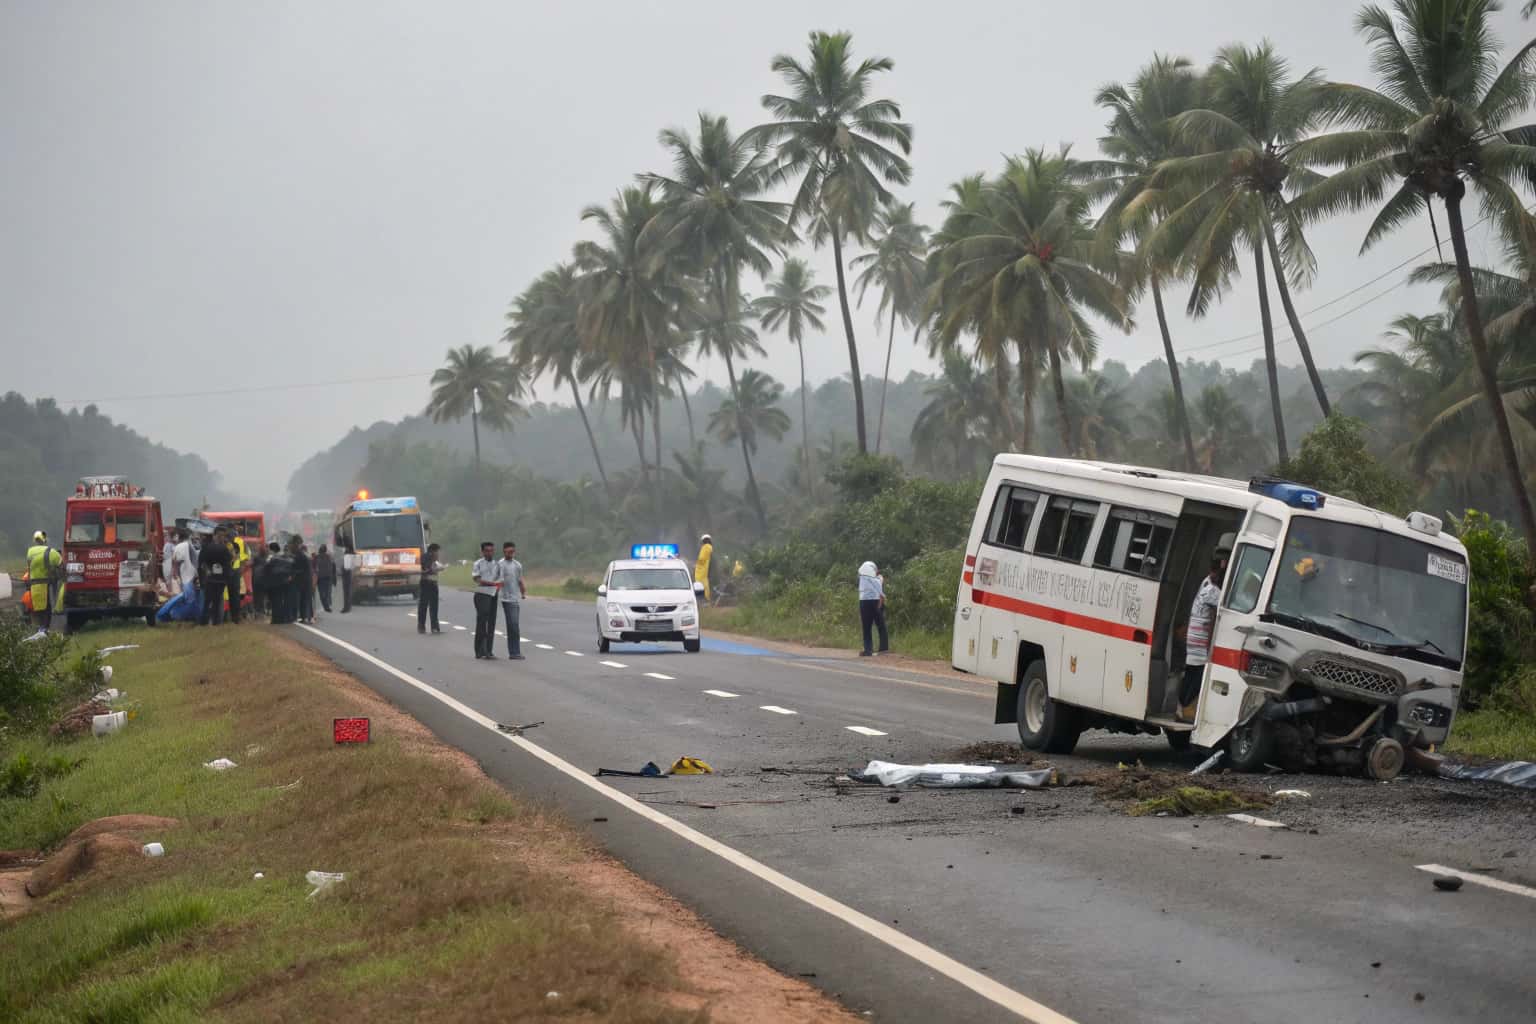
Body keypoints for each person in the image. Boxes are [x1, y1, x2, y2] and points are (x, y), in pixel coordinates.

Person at [1178, 543, 1231, 722]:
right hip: (1199, 641)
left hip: (1195, 638)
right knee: (1198, 676)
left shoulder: (1206, 582)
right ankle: (1185, 707)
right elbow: (1228, 607)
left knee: (1192, 673)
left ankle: (1183, 706)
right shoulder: (1212, 590)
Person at [26, 530, 64, 634]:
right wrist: (61, 577)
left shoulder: (30, 551)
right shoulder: (51, 552)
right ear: (45, 540)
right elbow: (61, 565)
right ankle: (45, 628)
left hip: (33, 583)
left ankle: (40, 627)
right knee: (47, 606)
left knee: (37, 606)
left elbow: (29, 567)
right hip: (46, 583)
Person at [197, 527, 233, 626]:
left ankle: (204, 622)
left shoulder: (206, 547)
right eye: (221, 536)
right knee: (217, 602)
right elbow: (229, 564)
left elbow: (201, 564)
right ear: (216, 536)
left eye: (223, 536)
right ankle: (216, 623)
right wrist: (227, 578)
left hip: (210, 579)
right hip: (220, 580)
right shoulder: (225, 549)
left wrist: (202, 578)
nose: (222, 538)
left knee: (207, 601)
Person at [471, 542, 501, 659]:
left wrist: (497, 586)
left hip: (493, 594)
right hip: (482, 594)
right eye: (487, 550)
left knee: (491, 623)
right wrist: (493, 583)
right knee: (482, 622)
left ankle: (489, 650)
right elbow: (477, 579)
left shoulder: (497, 564)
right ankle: (479, 650)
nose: (489, 553)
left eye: (491, 550)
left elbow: (501, 579)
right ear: (483, 552)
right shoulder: (478, 563)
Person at [498, 541, 527, 659]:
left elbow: (519, 580)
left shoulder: (517, 565)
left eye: (512, 552)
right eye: (508, 552)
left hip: (514, 598)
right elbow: (497, 581)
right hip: (503, 597)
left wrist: (523, 591)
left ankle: (515, 652)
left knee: (513, 625)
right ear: (504, 551)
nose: (511, 554)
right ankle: (514, 652)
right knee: (512, 625)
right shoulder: (500, 564)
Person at [857, 560, 889, 657]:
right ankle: (883, 649)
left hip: (865, 602)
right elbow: (880, 591)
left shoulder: (863, 578)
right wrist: (882, 600)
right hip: (874, 601)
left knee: (867, 627)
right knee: (880, 625)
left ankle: (868, 650)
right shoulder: (875, 578)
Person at [418, 542, 444, 634]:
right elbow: (426, 569)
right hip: (426, 583)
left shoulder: (434, 559)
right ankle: (422, 627)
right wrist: (433, 569)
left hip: (433, 583)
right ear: (433, 551)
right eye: (437, 551)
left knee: (434, 606)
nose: (438, 554)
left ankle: (434, 627)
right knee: (424, 605)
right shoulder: (425, 557)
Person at [227, 530, 248, 623]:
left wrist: (240, 570)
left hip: (235, 572)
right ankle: (232, 616)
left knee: (235, 595)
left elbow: (244, 559)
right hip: (229, 572)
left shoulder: (238, 545)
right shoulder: (226, 545)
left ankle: (236, 617)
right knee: (231, 595)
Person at [291, 539, 314, 624]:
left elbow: (295, 568)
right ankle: (310, 617)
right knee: (307, 599)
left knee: (302, 599)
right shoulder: (306, 556)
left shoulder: (298, 556)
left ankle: (304, 617)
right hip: (307, 579)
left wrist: (294, 574)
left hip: (301, 580)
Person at [315, 544, 336, 613]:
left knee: (327, 594)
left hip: (327, 578)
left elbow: (333, 568)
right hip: (320, 579)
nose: (322, 551)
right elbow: (314, 567)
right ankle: (326, 606)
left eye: (323, 549)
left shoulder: (329, 557)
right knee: (322, 594)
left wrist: (334, 578)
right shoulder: (317, 557)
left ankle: (327, 606)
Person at [250, 541, 269, 617]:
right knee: (262, 596)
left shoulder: (255, 557)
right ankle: (261, 611)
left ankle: (258, 611)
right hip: (263, 579)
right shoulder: (266, 558)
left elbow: (250, 564)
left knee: (257, 596)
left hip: (256, 579)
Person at [694, 534, 713, 602]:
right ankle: (706, 598)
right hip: (704, 569)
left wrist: (697, 565)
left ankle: (704, 598)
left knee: (700, 583)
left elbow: (701, 558)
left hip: (701, 569)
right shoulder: (709, 547)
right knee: (704, 582)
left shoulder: (706, 547)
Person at [339, 537, 355, 613]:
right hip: (348, 573)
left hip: (347, 573)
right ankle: (347, 607)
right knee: (347, 591)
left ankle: (347, 607)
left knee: (347, 591)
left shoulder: (348, 552)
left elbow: (347, 564)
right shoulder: (350, 551)